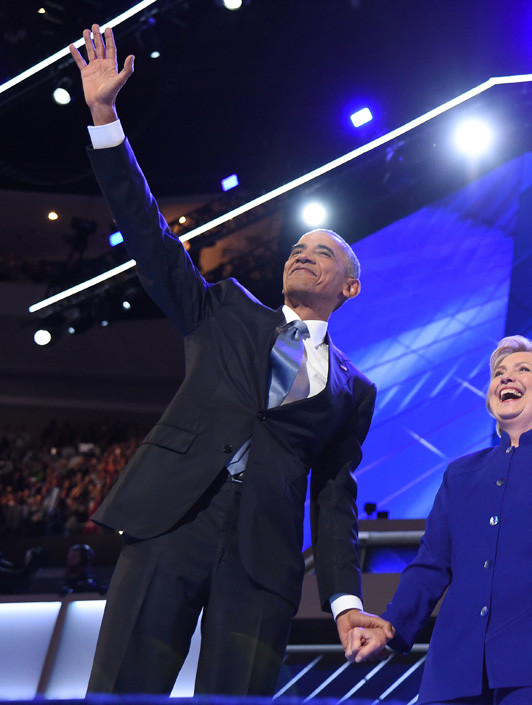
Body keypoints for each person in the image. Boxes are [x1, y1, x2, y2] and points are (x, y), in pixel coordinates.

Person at [69, 26, 391, 695]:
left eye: (322, 252)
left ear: (349, 287)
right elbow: (154, 239)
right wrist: (105, 118)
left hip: (263, 559)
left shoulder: (354, 390)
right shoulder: (223, 310)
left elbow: (334, 499)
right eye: (297, 248)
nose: (302, 254)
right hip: (172, 521)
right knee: (125, 685)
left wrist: (343, 600)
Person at [345, 336, 532, 704]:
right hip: (455, 673)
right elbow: (430, 565)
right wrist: (391, 627)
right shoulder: (460, 473)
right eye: (499, 373)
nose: (506, 378)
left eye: (523, 369)